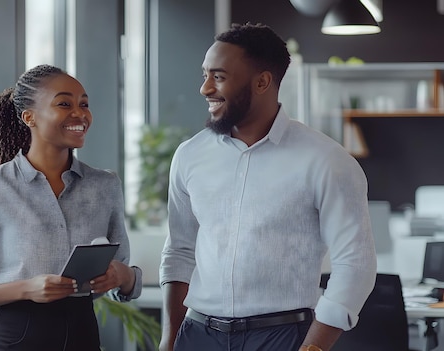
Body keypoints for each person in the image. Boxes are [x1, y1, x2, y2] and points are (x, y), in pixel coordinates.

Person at [159, 23, 376, 351]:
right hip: (197, 334)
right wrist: (170, 340)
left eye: (218, 77)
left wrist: (314, 347)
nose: (204, 88)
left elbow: (355, 264)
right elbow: (179, 251)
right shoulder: (190, 155)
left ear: (262, 81)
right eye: (205, 75)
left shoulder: (326, 161)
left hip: (283, 337)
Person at [0, 64, 142, 351]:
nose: (80, 114)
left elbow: (122, 279)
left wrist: (124, 276)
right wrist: (26, 288)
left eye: (84, 104)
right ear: (29, 117)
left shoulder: (105, 186)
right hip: (15, 337)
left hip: (83, 337)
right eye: (64, 103)